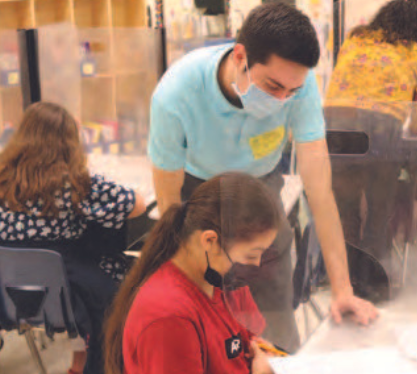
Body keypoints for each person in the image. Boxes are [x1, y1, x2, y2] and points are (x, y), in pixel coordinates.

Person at [148, 2, 377, 353]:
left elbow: (320, 191)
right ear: (240, 56)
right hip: (198, 189)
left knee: (272, 299)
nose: (283, 99)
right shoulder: (175, 95)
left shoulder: (299, 87)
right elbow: (169, 205)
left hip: (261, 184)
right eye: (272, 86)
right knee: (208, 305)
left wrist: (343, 289)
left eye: (292, 91)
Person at [0, 101, 146, 374]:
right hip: (66, 295)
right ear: (69, 141)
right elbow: (137, 205)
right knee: (122, 272)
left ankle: (78, 353)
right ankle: (105, 362)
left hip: (5, 296)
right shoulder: (75, 181)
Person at [105, 173, 280, 374]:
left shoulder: (222, 277)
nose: (256, 264)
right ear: (209, 241)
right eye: (251, 254)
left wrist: (260, 351)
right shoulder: (168, 315)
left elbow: (246, 338)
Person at [324, 0, 417, 273]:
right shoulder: (415, 53)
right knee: (378, 210)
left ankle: (342, 278)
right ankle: (370, 282)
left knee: (344, 211)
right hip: (380, 128)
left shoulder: (355, 41)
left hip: (335, 123)